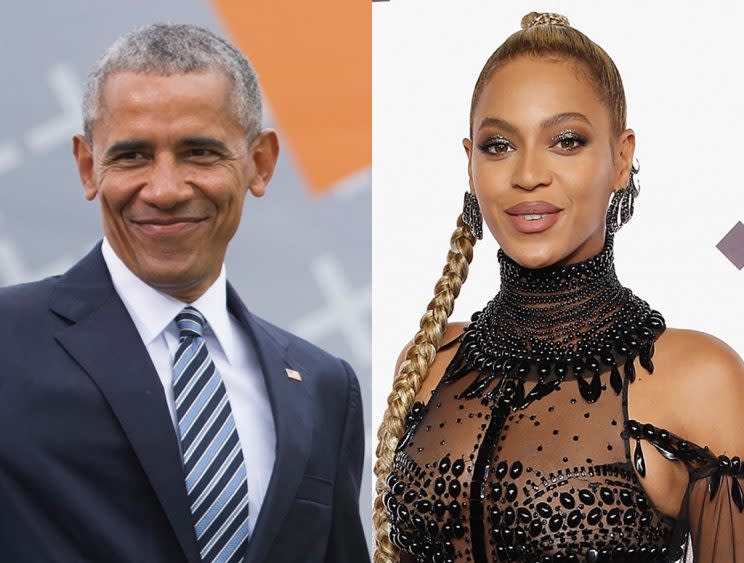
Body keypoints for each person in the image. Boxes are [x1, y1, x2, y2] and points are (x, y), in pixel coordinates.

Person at [374, 12, 744, 563]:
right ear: (469, 163)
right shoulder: (430, 360)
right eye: (498, 145)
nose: (528, 173)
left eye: (565, 141)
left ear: (621, 159)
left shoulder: (699, 378)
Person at [0, 23, 369, 563]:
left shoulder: (323, 387)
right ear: (88, 166)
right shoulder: (8, 344)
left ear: (260, 163)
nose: (166, 190)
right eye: (131, 156)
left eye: (199, 153)